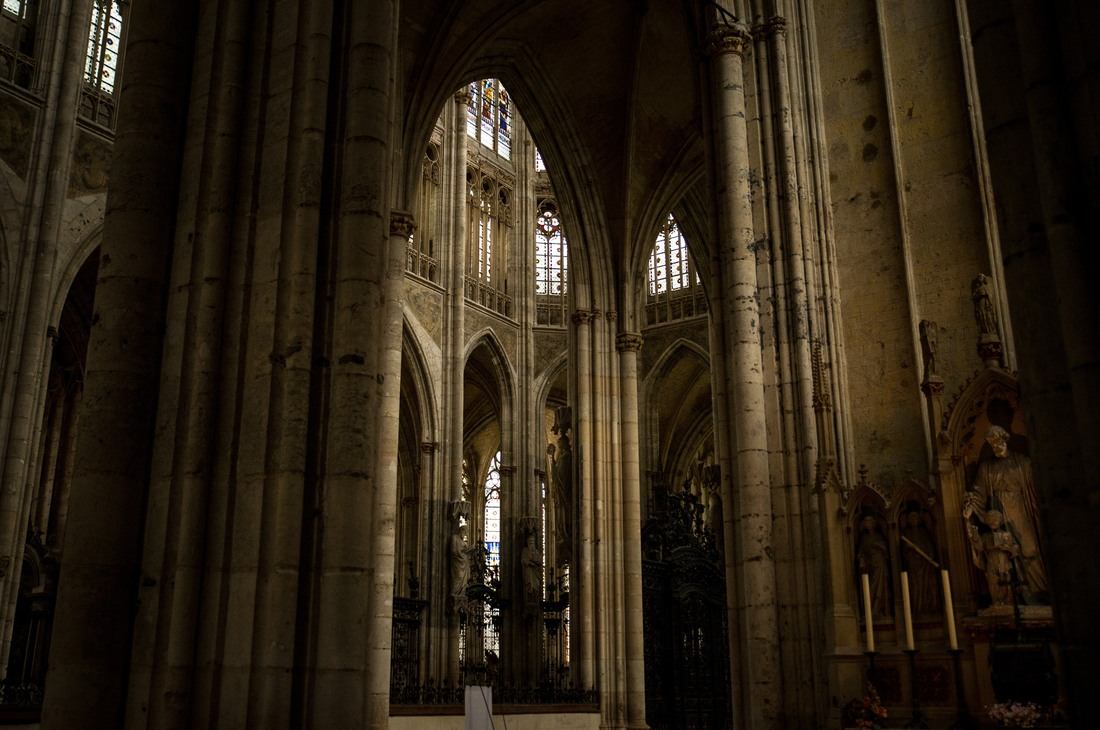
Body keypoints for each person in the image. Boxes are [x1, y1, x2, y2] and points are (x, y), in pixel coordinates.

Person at [963, 426, 1048, 603]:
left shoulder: (1022, 462)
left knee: (1029, 549)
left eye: (999, 442)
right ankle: (1010, 595)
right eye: (992, 444)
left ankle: (1039, 593)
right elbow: (979, 493)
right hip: (999, 514)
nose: (996, 447)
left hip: (1021, 510)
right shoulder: (987, 467)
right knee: (1002, 552)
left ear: (1005, 440)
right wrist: (971, 505)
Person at [900, 509, 940, 614]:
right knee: (915, 587)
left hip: (925, 565)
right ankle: (917, 609)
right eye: (911, 518)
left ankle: (929, 607)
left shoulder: (923, 532)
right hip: (913, 565)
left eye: (915, 517)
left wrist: (928, 555)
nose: (914, 520)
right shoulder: (907, 533)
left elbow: (929, 548)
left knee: (928, 586)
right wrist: (909, 549)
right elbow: (904, 551)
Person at [856, 514, 892, 618]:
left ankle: (878, 609)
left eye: (870, 521)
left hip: (879, 565)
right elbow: (860, 552)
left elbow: (885, 550)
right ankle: (870, 610)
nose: (868, 524)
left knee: (880, 588)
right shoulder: (864, 538)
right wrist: (861, 560)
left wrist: (878, 546)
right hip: (869, 567)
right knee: (870, 589)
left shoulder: (878, 536)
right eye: (866, 521)